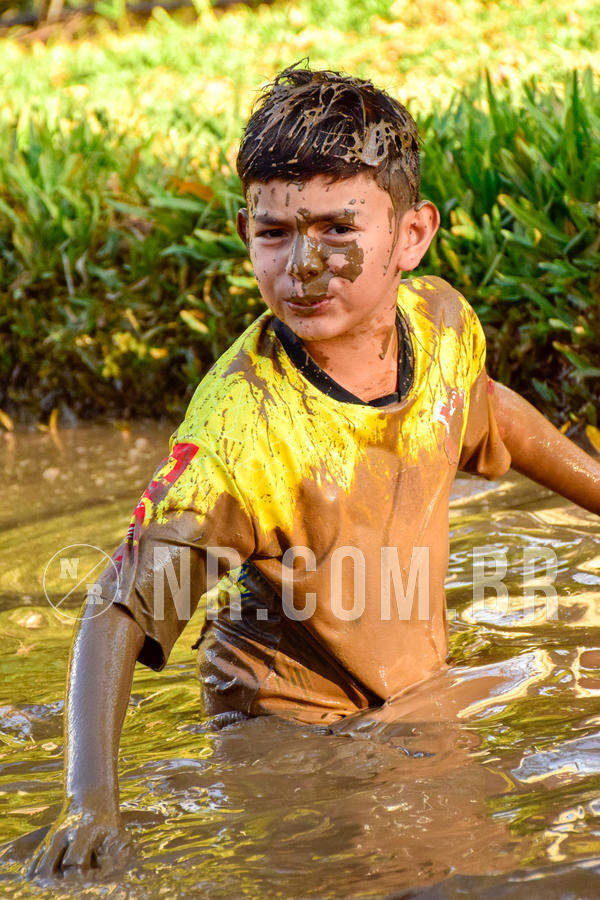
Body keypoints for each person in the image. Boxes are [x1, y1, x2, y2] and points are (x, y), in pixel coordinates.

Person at [29, 64, 600, 878]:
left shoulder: (439, 324)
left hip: (408, 697)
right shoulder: (241, 429)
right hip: (290, 736)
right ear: (246, 232)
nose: (304, 263)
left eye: (339, 228)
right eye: (276, 232)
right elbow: (119, 606)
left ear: (411, 235)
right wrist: (91, 805)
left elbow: (483, 408)